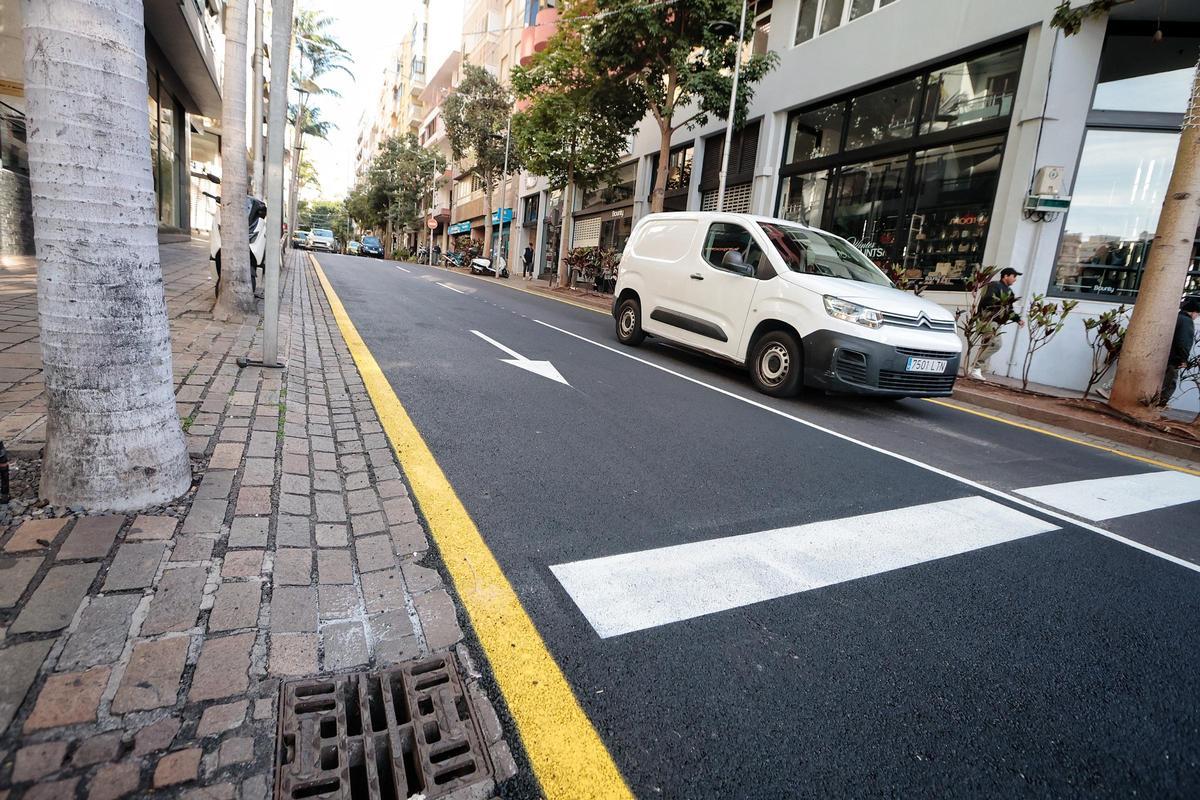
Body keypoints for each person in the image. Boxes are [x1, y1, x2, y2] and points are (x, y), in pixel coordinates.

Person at [969, 267, 1024, 381]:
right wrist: (1000, 305)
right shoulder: (994, 286)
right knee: (996, 343)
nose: (1015, 280)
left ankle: (974, 369)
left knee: (987, 344)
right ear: (1006, 276)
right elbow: (987, 301)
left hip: (995, 321)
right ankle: (976, 367)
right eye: (1014, 277)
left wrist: (1018, 319)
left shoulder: (1009, 292)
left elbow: (1009, 310)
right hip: (988, 318)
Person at [1158, 296, 1200, 406]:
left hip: (1162, 357)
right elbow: (1184, 342)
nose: (1197, 317)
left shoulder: (1175, 317)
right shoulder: (1187, 321)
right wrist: (1183, 359)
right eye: (1198, 314)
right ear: (1194, 312)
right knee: (1168, 385)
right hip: (1173, 359)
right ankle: (1156, 408)